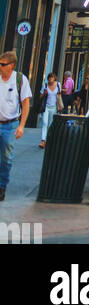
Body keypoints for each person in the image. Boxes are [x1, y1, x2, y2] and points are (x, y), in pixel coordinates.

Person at [0, 51, 32, 201]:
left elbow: (26, 103)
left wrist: (21, 126)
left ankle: (2, 186)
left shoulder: (20, 79)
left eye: (3, 64)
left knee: (6, 158)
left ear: (11, 65)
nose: (0, 66)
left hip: (10, 125)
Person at [39, 74, 61, 147]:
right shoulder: (45, 85)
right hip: (46, 107)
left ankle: (49, 139)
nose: (50, 80)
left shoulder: (58, 85)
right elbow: (40, 96)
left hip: (54, 107)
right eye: (49, 79)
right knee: (44, 123)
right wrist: (44, 93)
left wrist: (60, 105)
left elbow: (59, 95)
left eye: (52, 78)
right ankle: (43, 141)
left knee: (50, 124)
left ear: (54, 78)